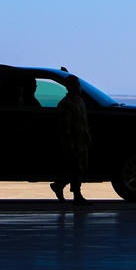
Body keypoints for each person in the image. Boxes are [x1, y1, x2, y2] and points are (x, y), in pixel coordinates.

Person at [50, 74, 92, 205]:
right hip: (73, 141)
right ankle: (76, 195)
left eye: (78, 85)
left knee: (81, 167)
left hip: (82, 140)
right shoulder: (65, 105)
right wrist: (69, 146)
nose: (78, 88)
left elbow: (84, 122)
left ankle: (59, 185)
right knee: (75, 167)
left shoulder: (80, 102)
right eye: (75, 85)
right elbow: (65, 128)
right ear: (68, 87)